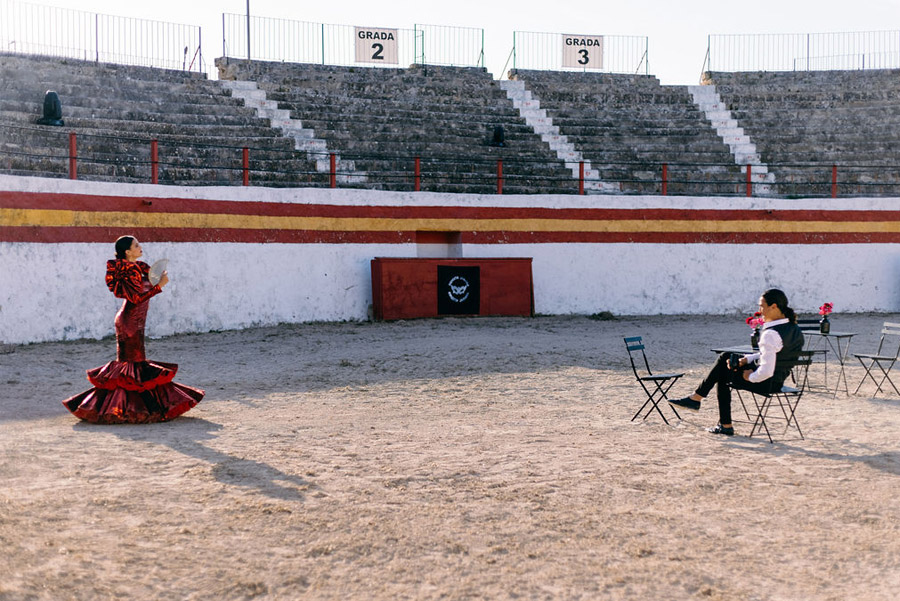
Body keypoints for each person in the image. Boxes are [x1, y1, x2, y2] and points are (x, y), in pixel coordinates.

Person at [62, 236, 204, 423]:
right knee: (132, 368)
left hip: (135, 321)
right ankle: (132, 410)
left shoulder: (139, 268)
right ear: (127, 252)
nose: (140, 247)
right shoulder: (128, 270)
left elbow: (143, 292)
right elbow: (137, 298)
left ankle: (132, 408)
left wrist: (157, 282)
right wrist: (159, 286)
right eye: (136, 245)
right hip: (129, 322)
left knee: (133, 369)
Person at [669, 289, 804, 436]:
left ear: (774, 307)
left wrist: (750, 376)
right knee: (726, 358)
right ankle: (699, 400)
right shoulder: (794, 328)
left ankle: (711, 412)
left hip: (766, 382)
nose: (760, 311)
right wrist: (747, 359)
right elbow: (774, 353)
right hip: (778, 379)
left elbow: (766, 371)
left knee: (723, 372)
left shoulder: (770, 334)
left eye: (762, 306)